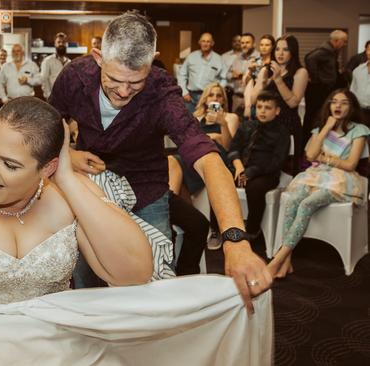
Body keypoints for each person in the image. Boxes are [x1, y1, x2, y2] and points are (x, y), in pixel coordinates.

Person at [0, 97, 272, 365]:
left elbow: (133, 274)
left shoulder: (65, 195)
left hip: (54, 343)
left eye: (10, 164)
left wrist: (69, 182)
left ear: (46, 167)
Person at [49, 11, 272, 307]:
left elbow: (208, 158)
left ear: (152, 61)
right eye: (115, 80)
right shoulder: (74, 77)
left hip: (146, 189)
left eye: (136, 82)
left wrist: (235, 238)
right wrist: (71, 155)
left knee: (152, 284)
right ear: (98, 57)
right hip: (91, 189)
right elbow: (50, 125)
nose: (124, 92)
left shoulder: (162, 94)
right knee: (88, 279)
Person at [268, 89, 370, 278]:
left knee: (307, 204)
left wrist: (326, 158)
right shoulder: (320, 128)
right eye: (334, 101)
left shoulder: (359, 130)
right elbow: (311, 155)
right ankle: (286, 262)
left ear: (352, 107)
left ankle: (278, 259)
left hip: (341, 179)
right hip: (316, 175)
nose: (338, 106)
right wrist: (326, 129)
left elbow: (350, 164)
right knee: (292, 201)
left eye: (344, 102)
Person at [227, 91, 291, 258]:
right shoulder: (247, 126)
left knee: (254, 188)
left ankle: (253, 230)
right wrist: (239, 167)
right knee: (221, 181)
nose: (262, 111)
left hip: (266, 174)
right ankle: (223, 228)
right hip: (241, 169)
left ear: (277, 111)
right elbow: (233, 148)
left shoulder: (282, 132)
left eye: (267, 108)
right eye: (259, 107)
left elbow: (277, 162)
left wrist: (251, 172)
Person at [168, 82, 240, 196]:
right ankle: (172, 203)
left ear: (223, 100)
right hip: (196, 152)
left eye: (219, 95)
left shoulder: (230, 117)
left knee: (175, 161)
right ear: (205, 100)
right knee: (171, 160)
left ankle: (171, 205)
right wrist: (213, 136)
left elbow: (228, 146)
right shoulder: (196, 117)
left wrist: (223, 123)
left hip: (217, 155)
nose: (215, 98)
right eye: (211, 95)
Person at [250, 34, 308, 174]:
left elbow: (293, 102)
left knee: (284, 169)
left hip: (287, 124)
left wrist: (278, 79)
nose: (280, 53)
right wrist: (262, 80)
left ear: (292, 52)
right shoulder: (267, 70)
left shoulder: (300, 72)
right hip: (267, 123)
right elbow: (253, 100)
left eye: (285, 50)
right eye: (277, 49)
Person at [304, 30, 348, 144]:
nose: (345, 44)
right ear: (337, 41)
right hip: (319, 89)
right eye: (344, 41)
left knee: (318, 116)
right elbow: (309, 58)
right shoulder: (325, 50)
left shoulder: (331, 51)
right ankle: (307, 144)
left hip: (323, 88)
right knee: (313, 117)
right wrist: (316, 79)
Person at [177, 32, 227, 113]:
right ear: (199, 42)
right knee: (188, 121)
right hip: (190, 97)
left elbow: (224, 79)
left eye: (208, 41)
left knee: (213, 119)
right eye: (203, 41)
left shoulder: (219, 59)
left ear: (212, 43)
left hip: (211, 97)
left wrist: (216, 93)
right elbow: (182, 75)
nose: (205, 44)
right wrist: (184, 92)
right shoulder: (191, 56)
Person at [243, 34, 275, 120]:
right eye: (262, 45)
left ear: (272, 47)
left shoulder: (274, 63)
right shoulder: (255, 61)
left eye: (267, 45)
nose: (264, 47)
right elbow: (246, 82)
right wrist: (250, 71)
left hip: (267, 99)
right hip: (252, 100)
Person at [229, 33, 259, 115]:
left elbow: (258, 78)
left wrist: (241, 75)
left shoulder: (259, 58)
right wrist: (232, 75)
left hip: (252, 99)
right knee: (235, 124)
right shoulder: (237, 58)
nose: (244, 45)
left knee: (250, 124)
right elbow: (229, 74)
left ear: (254, 44)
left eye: (247, 43)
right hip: (236, 98)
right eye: (242, 43)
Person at [41, 32, 71, 100]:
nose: (61, 44)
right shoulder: (47, 61)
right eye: (59, 42)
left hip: (66, 99)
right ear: (55, 44)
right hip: (52, 98)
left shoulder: (69, 62)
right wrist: (48, 96)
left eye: (63, 42)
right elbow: (44, 79)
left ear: (66, 44)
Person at [350, 42, 370, 125]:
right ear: (366, 51)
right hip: (361, 112)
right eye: (369, 49)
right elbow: (352, 90)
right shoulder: (358, 70)